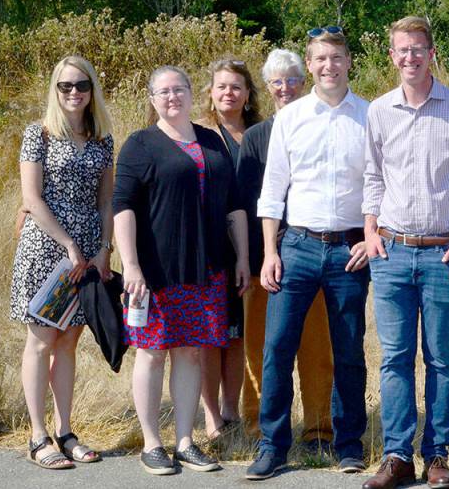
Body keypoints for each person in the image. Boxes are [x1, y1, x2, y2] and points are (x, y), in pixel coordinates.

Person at [362, 16, 449, 489]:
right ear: (392, 56)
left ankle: (437, 455)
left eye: (419, 49)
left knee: (441, 358)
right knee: (394, 357)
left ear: (432, 53)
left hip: (446, 255)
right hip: (393, 253)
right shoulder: (378, 111)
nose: (411, 57)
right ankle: (397, 455)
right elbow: (373, 178)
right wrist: (370, 230)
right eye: (402, 50)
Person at [246, 28, 371, 480]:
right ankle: (272, 446)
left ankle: (349, 444)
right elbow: (273, 189)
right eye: (319, 59)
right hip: (294, 248)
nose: (328, 66)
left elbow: (382, 185)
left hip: (348, 251)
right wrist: (268, 252)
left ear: (348, 61)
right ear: (310, 63)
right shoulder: (291, 118)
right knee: (277, 348)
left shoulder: (370, 116)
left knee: (348, 351)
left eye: (336, 57)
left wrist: (370, 237)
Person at [114, 65, 249, 475]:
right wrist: (131, 265)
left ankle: (186, 440)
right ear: (152, 99)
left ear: (193, 95)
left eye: (179, 90)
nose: (172, 97)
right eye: (163, 92)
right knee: (153, 353)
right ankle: (152, 443)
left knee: (191, 352)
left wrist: (242, 257)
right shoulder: (140, 144)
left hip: (208, 269)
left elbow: (233, 204)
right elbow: (122, 208)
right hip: (157, 272)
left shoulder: (211, 140)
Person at [11, 55, 114, 469]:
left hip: (86, 255)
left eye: (82, 85)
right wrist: (68, 243)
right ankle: (38, 437)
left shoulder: (103, 138)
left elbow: (106, 199)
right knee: (41, 341)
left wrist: (105, 248)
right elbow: (32, 198)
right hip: (46, 251)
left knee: (69, 341)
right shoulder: (39, 134)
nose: (74, 93)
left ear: (92, 90)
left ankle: (65, 431)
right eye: (66, 86)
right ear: (55, 89)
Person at [237, 48, 334, 448]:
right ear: (268, 87)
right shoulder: (257, 136)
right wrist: (251, 258)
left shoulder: (320, 125)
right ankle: (258, 429)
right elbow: (245, 201)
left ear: (305, 80)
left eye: (292, 79)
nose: (285, 87)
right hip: (267, 260)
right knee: (262, 350)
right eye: (277, 81)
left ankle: (318, 430)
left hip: (314, 253)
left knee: (316, 350)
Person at [199, 58, 263, 441]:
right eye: (221, 86)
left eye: (236, 86)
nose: (229, 93)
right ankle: (211, 418)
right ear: (210, 92)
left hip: (255, 244)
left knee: (240, 333)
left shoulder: (260, 132)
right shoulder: (199, 135)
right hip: (211, 247)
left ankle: (231, 410)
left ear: (248, 93)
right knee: (211, 334)